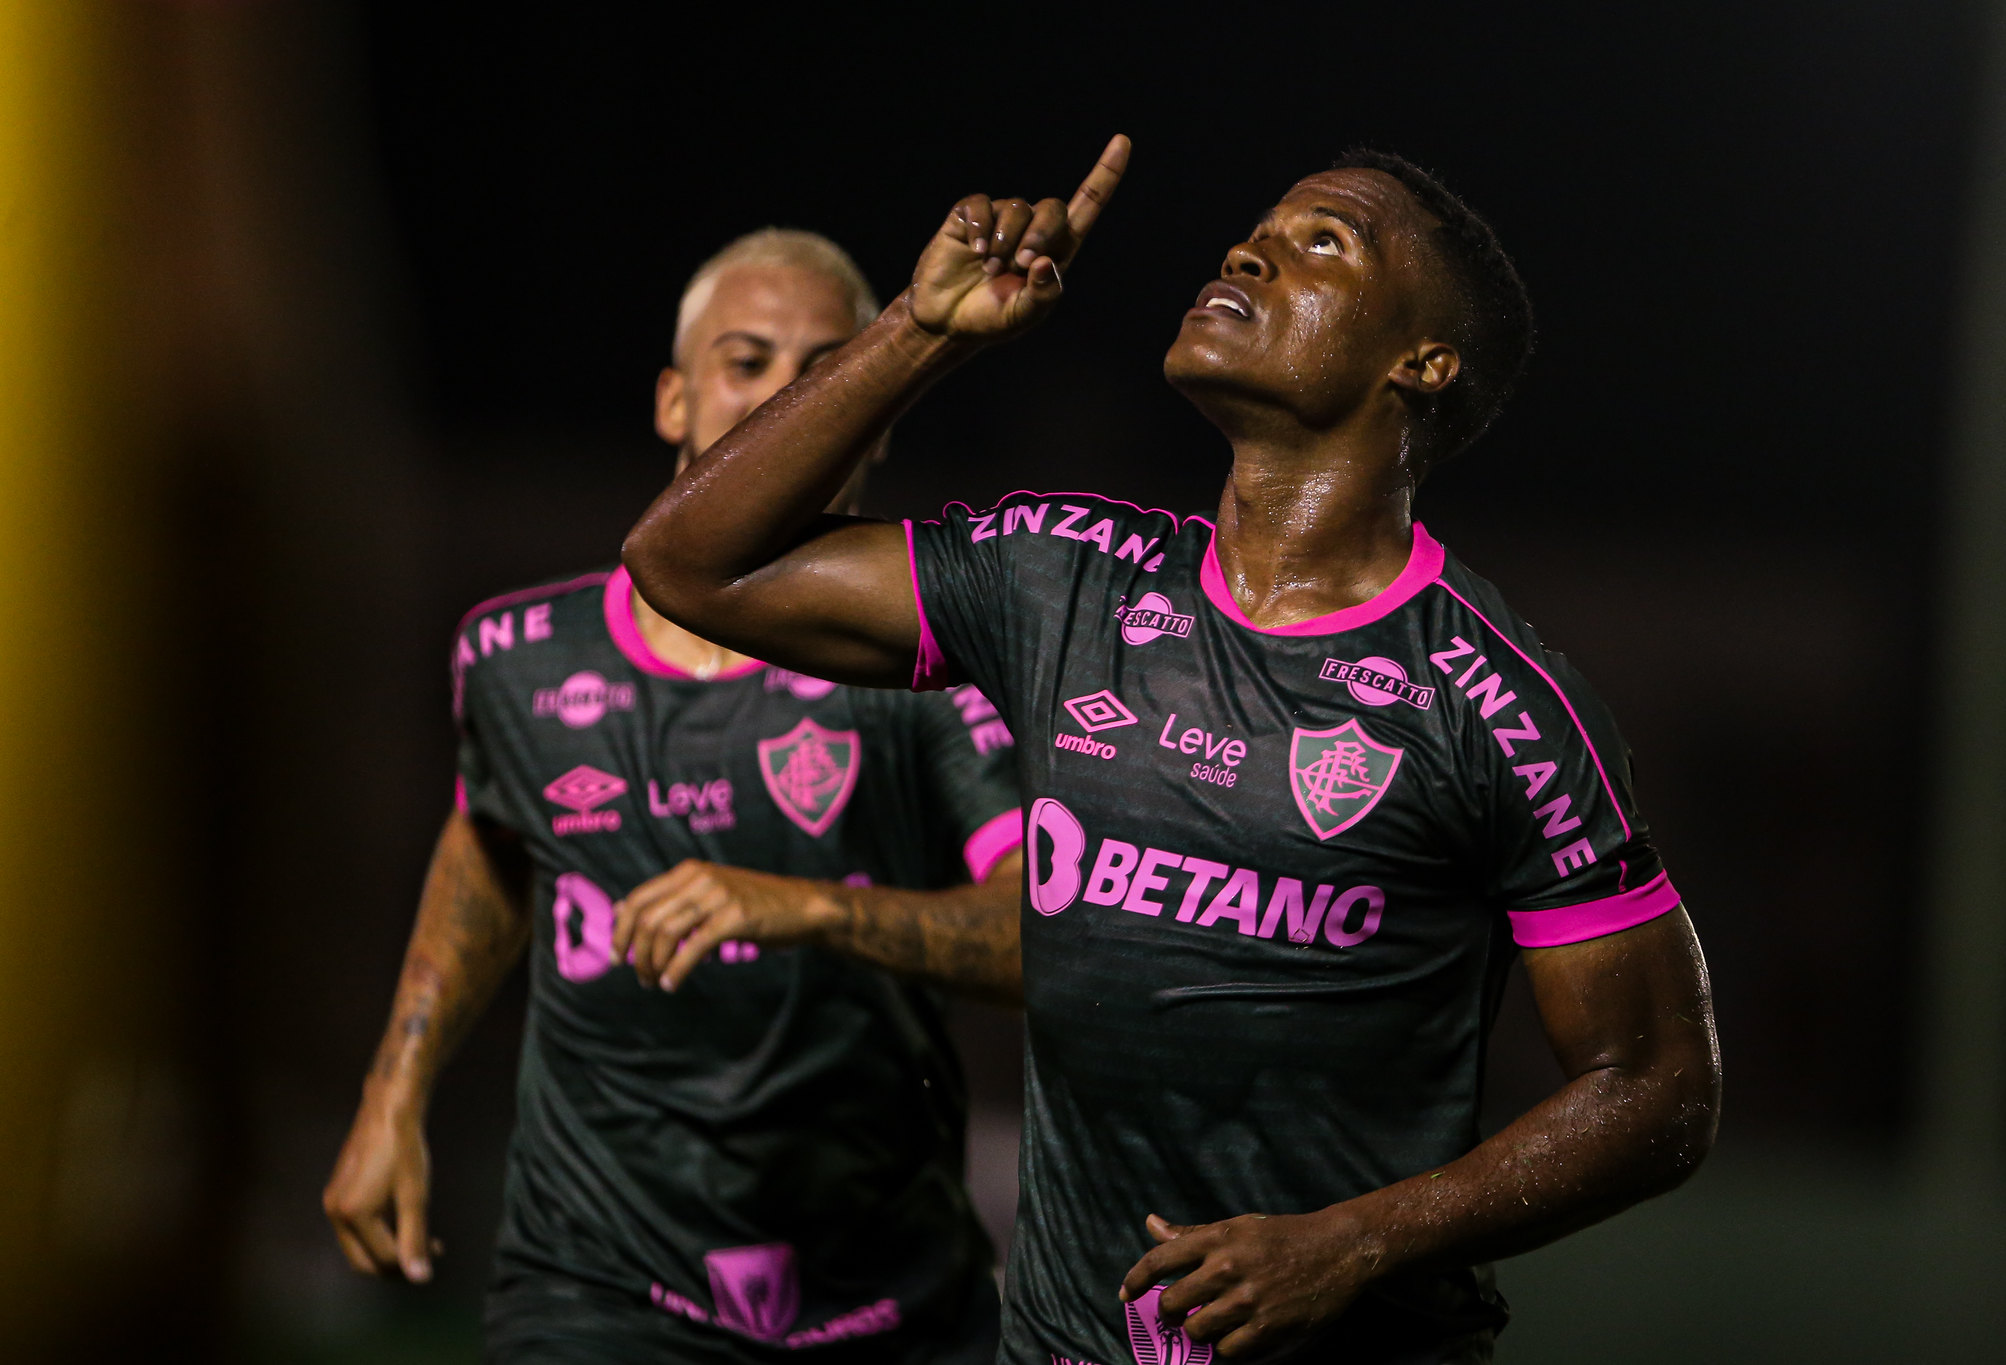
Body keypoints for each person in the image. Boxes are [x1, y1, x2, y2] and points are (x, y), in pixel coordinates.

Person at [618, 139, 1723, 1365]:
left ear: (1419, 360)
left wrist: (1350, 1243)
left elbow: (1659, 1088)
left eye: (1323, 244)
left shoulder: (1495, 703)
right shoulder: (1063, 574)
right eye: (1258, 227)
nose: (1246, 249)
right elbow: (690, 565)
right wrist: (922, 333)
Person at [323, 229, 1028, 1365]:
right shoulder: (515, 655)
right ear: (671, 399)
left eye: (825, 372)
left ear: (874, 414)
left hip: (884, 1296)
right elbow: (495, 837)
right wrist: (392, 1089)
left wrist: (806, 907)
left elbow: (1045, 936)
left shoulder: (928, 677)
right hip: (594, 1285)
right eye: (747, 362)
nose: (784, 401)